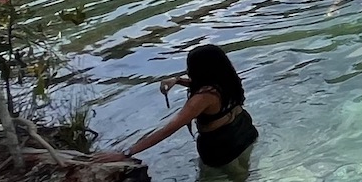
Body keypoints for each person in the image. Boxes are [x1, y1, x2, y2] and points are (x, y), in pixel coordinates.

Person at [91, 44, 257, 169]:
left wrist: (125, 153)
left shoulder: (201, 99)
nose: (187, 70)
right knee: (241, 178)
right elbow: (209, 90)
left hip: (221, 145)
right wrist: (178, 80)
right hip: (243, 129)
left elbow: (168, 129)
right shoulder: (227, 81)